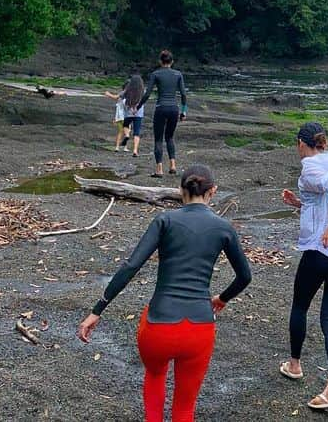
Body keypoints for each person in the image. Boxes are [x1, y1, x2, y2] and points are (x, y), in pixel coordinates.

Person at [77, 164, 251, 422]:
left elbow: (131, 266)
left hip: (158, 327)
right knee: (184, 409)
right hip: (199, 329)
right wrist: (221, 299)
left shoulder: (165, 220)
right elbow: (245, 276)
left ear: (181, 190)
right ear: (212, 191)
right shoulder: (223, 228)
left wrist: (97, 310)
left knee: (155, 376)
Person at [279, 121, 328, 411]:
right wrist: (300, 204)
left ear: (302, 143)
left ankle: (295, 365)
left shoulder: (310, 165)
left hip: (322, 250)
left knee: (300, 306)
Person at [136, 50, 187, 178]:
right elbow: (183, 94)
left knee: (158, 139)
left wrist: (138, 106)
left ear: (160, 61)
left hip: (161, 107)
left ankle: (159, 169)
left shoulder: (156, 74)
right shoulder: (178, 74)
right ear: (172, 62)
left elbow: (147, 93)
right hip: (174, 108)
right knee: (169, 137)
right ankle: (173, 165)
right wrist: (184, 111)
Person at [104, 70, 146, 157]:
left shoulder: (127, 90)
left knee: (125, 126)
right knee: (137, 133)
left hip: (128, 113)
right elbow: (145, 99)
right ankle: (135, 150)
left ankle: (127, 135)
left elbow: (116, 97)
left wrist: (108, 94)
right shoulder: (143, 91)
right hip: (138, 114)